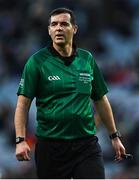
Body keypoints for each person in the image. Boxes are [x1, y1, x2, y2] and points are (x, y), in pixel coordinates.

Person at [14, 7, 126, 179]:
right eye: (54, 24)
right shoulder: (36, 62)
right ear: (49, 30)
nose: (58, 28)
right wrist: (20, 140)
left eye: (64, 24)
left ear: (74, 29)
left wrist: (114, 136)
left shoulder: (86, 59)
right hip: (50, 147)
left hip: (86, 144)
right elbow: (23, 104)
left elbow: (101, 99)